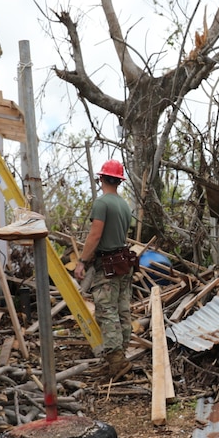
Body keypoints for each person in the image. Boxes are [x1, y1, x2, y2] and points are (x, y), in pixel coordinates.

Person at [73, 159, 135, 376]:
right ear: (119, 181)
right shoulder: (124, 205)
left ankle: (117, 361)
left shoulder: (102, 204)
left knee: (107, 311)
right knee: (122, 310)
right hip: (124, 264)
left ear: (101, 178)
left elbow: (95, 235)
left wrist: (82, 261)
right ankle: (122, 356)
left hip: (107, 265)